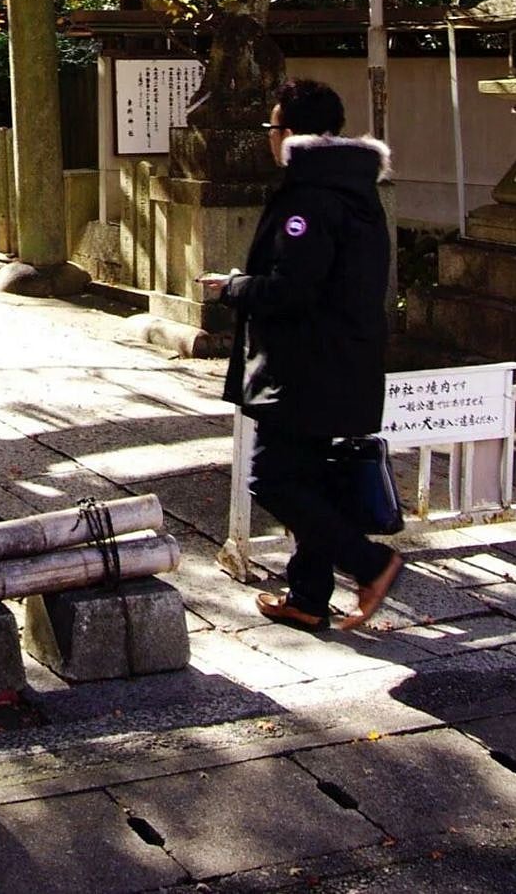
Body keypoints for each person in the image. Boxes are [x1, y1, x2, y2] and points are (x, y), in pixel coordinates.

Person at [200, 77, 403, 631]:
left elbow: (293, 290)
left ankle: (371, 562)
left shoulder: (309, 198)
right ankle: (309, 598)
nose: (268, 136)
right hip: (344, 360)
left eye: (272, 126)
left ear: (288, 132)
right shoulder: (354, 189)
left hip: (305, 367)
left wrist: (234, 287)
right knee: (309, 478)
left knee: (273, 477)